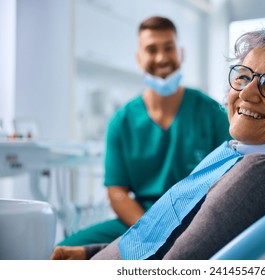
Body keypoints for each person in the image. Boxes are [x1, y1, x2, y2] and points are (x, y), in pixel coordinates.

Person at [51, 27, 265, 260]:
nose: (246, 94)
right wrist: (90, 254)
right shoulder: (243, 156)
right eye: (243, 77)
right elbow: (170, 233)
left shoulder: (261, 172)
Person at [58, 16, 231, 246]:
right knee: (65, 251)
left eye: (168, 48)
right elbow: (117, 192)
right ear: (139, 58)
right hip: (141, 219)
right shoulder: (122, 122)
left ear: (181, 53)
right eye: (151, 49)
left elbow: (230, 176)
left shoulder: (211, 112)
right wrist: (151, 230)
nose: (161, 57)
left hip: (198, 217)